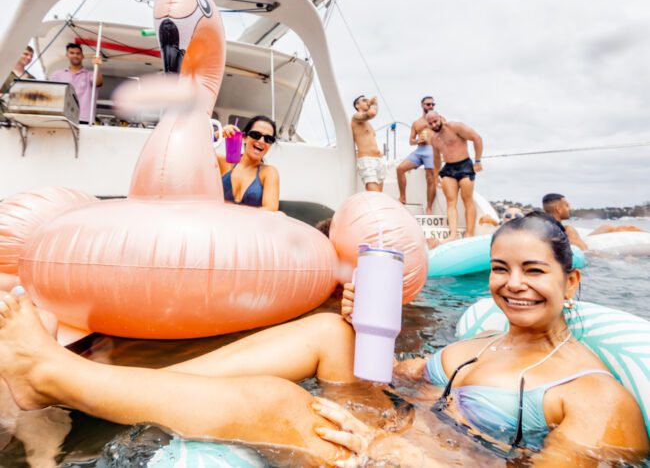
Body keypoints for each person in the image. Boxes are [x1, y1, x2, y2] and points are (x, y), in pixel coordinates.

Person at [0, 212, 646, 466]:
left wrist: (390, 452)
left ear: (573, 280)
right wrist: (367, 325)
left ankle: (59, 377)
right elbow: (401, 377)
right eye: (501, 268)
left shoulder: (597, 397)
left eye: (535, 270)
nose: (512, 285)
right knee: (327, 333)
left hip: (421, 464)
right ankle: (124, 389)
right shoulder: (482, 343)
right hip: (405, 435)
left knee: (282, 406)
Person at [426, 111, 483, 239]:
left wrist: (478, 161)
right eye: (430, 124)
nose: (434, 125)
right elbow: (436, 159)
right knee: (450, 202)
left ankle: (469, 233)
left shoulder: (455, 127)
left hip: (465, 165)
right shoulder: (434, 139)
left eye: (435, 121)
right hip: (448, 169)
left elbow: (477, 138)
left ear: (440, 118)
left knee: (467, 200)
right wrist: (436, 177)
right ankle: (452, 234)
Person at [217, 115, 280, 211]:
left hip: (249, 225)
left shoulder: (269, 173)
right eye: (256, 135)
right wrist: (217, 135)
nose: (261, 141)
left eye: (268, 139)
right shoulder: (224, 162)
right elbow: (192, 154)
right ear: (244, 137)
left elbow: (270, 209)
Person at [397, 96, 440, 214]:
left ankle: (429, 207)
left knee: (430, 178)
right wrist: (417, 141)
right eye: (428, 104)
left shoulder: (440, 119)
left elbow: (446, 134)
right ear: (422, 105)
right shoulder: (417, 122)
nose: (430, 106)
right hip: (420, 150)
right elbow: (411, 141)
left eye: (432, 104)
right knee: (400, 169)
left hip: (432, 150)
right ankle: (402, 197)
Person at [49, 43, 103, 124]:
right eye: (72, 53)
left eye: (78, 53)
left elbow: (98, 82)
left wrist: (97, 66)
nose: (75, 55)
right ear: (67, 55)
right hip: (63, 117)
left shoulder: (90, 75)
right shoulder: (57, 74)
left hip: (84, 119)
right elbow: (52, 95)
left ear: (82, 56)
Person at [350, 95, 385, 192]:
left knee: (379, 196)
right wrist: (373, 103)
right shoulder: (356, 117)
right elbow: (372, 113)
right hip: (367, 160)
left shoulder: (368, 123)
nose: (367, 101)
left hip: (378, 160)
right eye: (364, 100)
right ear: (357, 105)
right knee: (375, 195)